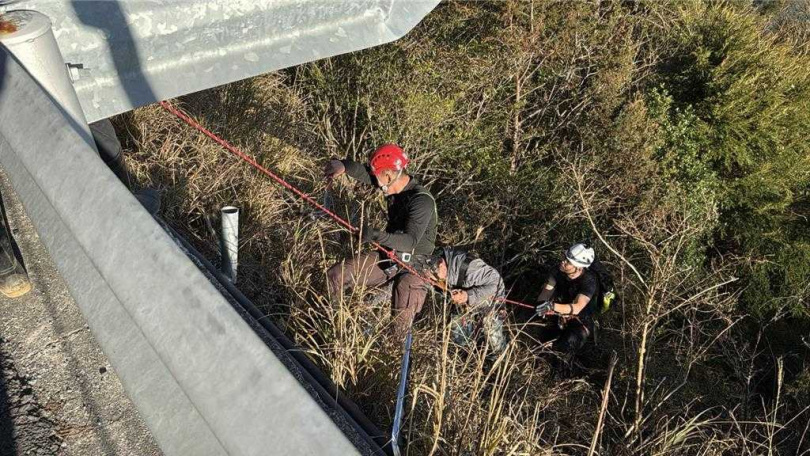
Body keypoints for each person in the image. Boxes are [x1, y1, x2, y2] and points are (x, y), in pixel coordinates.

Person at [324, 144, 438, 337]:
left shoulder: (421, 201)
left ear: (388, 175)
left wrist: (375, 235)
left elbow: (410, 242)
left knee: (399, 330)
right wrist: (343, 166)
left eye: (377, 175)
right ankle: (334, 330)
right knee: (336, 275)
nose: (374, 179)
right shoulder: (390, 182)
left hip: (415, 265)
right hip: (390, 255)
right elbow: (363, 172)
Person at [425, 247, 507, 355]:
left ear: (441, 265)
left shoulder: (469, 267)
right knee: (458, 335)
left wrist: (467, 296)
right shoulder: (433, 268)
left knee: (492, 333)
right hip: (461, 305)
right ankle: (465, 359)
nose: (433, 283)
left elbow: (496, 283)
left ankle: (499, 361)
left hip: (489, 300)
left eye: (435, 279)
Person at [535, 243, 599, 355]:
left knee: (567, 344)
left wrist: (551, 306)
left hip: (581, 320)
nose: (563, 261)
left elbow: (577, 307)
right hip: (558, 314)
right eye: (564, 257)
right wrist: (542, 305)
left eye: (568, 261)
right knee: (544, 339)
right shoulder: (557, 271)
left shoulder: (589, 280)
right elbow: (546, 292)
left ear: (578, 268)